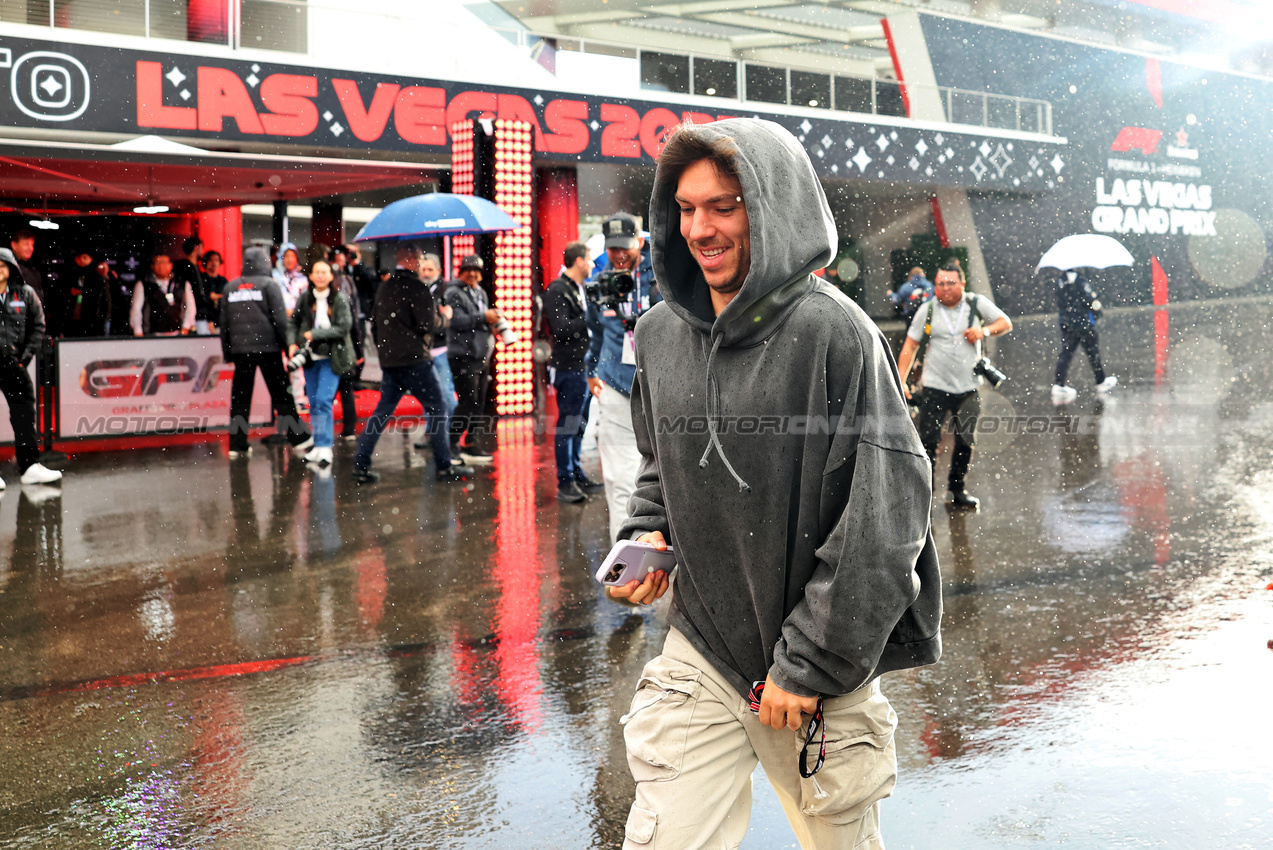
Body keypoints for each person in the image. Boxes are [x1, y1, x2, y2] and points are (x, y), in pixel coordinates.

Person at [613, 118, 941, 850]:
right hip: (700, 648)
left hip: (815, 668)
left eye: (724, 205)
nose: (699, 227)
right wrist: (645, 536)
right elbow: (659, 469)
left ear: (774, 207)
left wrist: (810, 661)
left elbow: (883, 520)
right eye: (686, 208)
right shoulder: (658, 334)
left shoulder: (837, 335)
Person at [896, 258, 1013, 508]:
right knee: (927, 442)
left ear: (962, 283)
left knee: (965, 442)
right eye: (939, 283)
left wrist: (984, 332)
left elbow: (1005, 323)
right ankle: (923, 495)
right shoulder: (927, 309)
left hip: (968, 388)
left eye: (950, 283)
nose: (944, 288)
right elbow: (910, 346)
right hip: (934, 387)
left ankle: (957, 490)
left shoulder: (975, 303)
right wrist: (899, 380)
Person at [353, 245, 472, 485]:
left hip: (391, 362)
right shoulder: (418, 288)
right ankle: (444, 466)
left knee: (382, 411)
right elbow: (428, 324)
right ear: (410, 258)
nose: (420, 263)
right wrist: (446, 317)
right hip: (416, 360)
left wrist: (386, 352)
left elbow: (375, 324)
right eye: (419, 258)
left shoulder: (385, 287)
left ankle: (361, 465)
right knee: (438, 408)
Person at [585, 212, 657, 542]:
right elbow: (595, 333)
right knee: (619, 479)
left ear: (639, 242)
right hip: (615, 384)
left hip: (658, 387)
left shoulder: (662, 274)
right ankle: (625, 561)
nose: (619, 255)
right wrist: (590, 370)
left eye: (625, 247)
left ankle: (662, 555)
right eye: (613, 248)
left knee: (661, 477)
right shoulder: (600, 281)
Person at [219, 246, 312, 458]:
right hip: (268, 348)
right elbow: (280, 320)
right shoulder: (270, 285)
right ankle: (298, 438)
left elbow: (223, 325)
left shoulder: (230, 288)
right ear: (265, 263)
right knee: (281, 396)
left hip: (241, 351)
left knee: (240, 399)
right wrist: (287, 346)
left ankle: (237, 444)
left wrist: (228, 352)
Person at [544, 241, 602, 502]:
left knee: (579, 424)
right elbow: (561, 328)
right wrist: (590, 316)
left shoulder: (580, 288)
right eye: (589, 260)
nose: (592, 265)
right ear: (578, 261)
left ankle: (576, 473)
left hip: (584, 366)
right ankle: (565, 481)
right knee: (567, 425)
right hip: (569, 368)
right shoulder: (557, 290)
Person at [0, 248, 63, 487]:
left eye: (2, 266)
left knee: (24, 415)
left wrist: (24, 358)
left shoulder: (25, 294)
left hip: (14, 364)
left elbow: (38, 326)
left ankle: (29, 467)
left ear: (11, 269)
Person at [288, 260, 355, 467]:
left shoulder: (340, 299)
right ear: (310, 276)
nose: (320, 276)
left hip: (332, 358)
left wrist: (314, 334)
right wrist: (292, 343)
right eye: (316, 272)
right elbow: (293, 322)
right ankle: (318, 445)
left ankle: (325, 446)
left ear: (331, 276)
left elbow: (343, 328)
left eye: (324, 272)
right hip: (310, 359)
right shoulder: (306, 298)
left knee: (325, 401)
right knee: (315, 403)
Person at [445, 254, 501, 462]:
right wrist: (484, 317)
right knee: (467, 402)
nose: (473, 274)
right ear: (461, 272)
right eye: (468, 269)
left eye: (476, 270)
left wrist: (492, 325)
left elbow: (478, 320)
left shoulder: (480, 293)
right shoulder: (453, 292)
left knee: (477, 403)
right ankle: (450, 445)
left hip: (480, 355)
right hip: (462, 355)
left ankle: (471, 443)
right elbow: (456, 322)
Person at [411, 252, 457, 451]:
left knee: (446, 394)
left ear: (438, 271)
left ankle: (448, 431)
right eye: (423, 269)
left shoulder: (446, 291)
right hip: (422, 350)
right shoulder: (415, 290)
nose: (426, 273)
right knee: (427, 394)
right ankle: (432, 431)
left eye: (430, 269)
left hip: (441, 348)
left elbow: (447, 321)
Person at [1051, 269, 1117, 403]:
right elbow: (1090, 301)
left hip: (1067, 323)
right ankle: (1101, 381)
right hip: (1084, 324)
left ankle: (1059, 384)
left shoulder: (1060, 281)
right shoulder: (1081, 281)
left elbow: (1060, 302)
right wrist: (1096, 303)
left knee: (1066, 354)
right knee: (1093, 353)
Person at [47, 251, 110, 338]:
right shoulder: (67, 276)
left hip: (91, 325)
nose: (81, 261)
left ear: (91, 259)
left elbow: (105, 303)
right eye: (78, 257)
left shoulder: (98, 279)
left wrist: (101, 323)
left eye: (85, 258)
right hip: (70, 325)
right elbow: (58, 302)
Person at [130, 254, 196, 336]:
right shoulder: (144, 284)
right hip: (152, 334)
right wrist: (138, 330)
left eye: (164, 263)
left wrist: (186, 327)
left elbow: (190, 306)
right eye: (157, 263)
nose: (161, 266)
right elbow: (136, 309)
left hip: (177, 333)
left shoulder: (181, 283)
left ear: (171, 265)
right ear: (152, 266)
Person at [174, 236, 212, 334]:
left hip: (199, 315)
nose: (203, 251)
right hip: (190, 315)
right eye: (202, 247)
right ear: (196, 247)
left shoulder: (196, 268)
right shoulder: (184, 267)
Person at [345, 242, 380, 320]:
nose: (352, 255)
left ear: (359, 254)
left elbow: (371, 283)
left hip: (363, 309)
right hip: (348, 308)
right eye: (350, 253)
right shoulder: (344, 269)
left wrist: (358, 265)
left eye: (354, 253)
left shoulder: (366, 269)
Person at [8, 229, 44, 302]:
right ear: (14, 245)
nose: (30, 248)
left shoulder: (30, 266)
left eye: (32, 245)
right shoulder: (8, 267)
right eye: (26, 244)